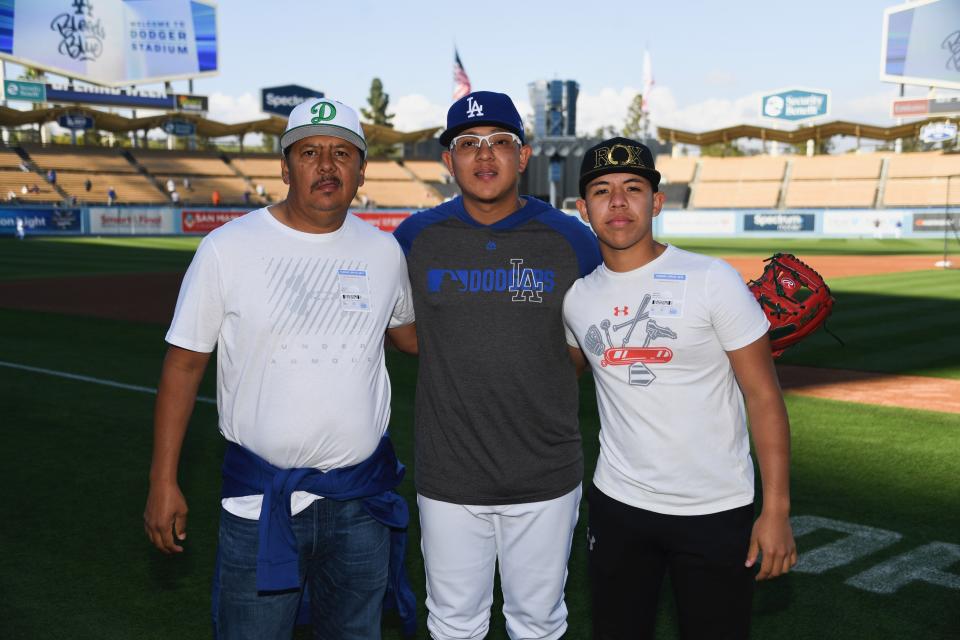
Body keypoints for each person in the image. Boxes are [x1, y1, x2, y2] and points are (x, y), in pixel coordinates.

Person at [143, 97, 419, 639]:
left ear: (361, 171)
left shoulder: (384, 252)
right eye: (309, 151)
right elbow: (183, 366)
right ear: (285, 166)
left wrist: (501, 321)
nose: (326, 165)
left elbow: (411, 336)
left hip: (360, 504)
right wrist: (162, 481)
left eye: (342, 153)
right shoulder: (228, 249)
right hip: (260, 505)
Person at [562, 137, 797, 640]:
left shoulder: (711, 279)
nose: (618, 202)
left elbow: (764, 397)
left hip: (714, 509)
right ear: (584, 209)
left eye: (633, 188)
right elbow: (560, 373)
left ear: (657, 201)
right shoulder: (578, 299)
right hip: (618, 505)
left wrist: (775, 510)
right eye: (602, 191)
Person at [394, 91, 601, 640]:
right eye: (468, 145)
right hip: (449, 474)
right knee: (454, 623)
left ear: (524, 155)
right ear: (448, 159)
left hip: (545, 472)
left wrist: (537, 370)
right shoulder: (416, 239)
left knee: (537, 622)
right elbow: (405, 332)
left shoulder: (573, 240)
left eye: (500, 143)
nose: (484, 157)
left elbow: (600, 329)